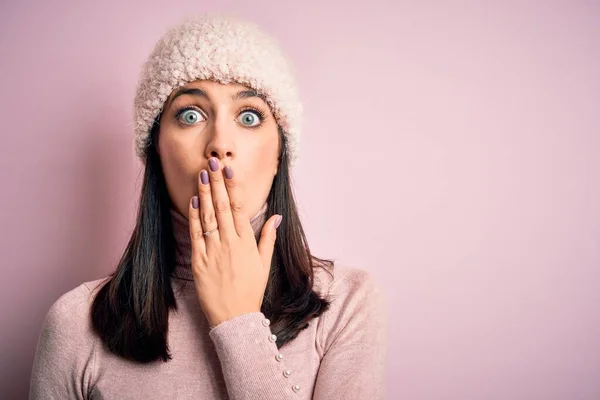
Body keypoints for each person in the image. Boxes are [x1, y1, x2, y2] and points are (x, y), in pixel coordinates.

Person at [29, 13, 388, 400]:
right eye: (190, 115)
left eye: (249, 116)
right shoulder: (76, 323)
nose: (220, 142)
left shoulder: (347, 302)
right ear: (156, 150)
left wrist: (239, 322)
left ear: (280, 155)